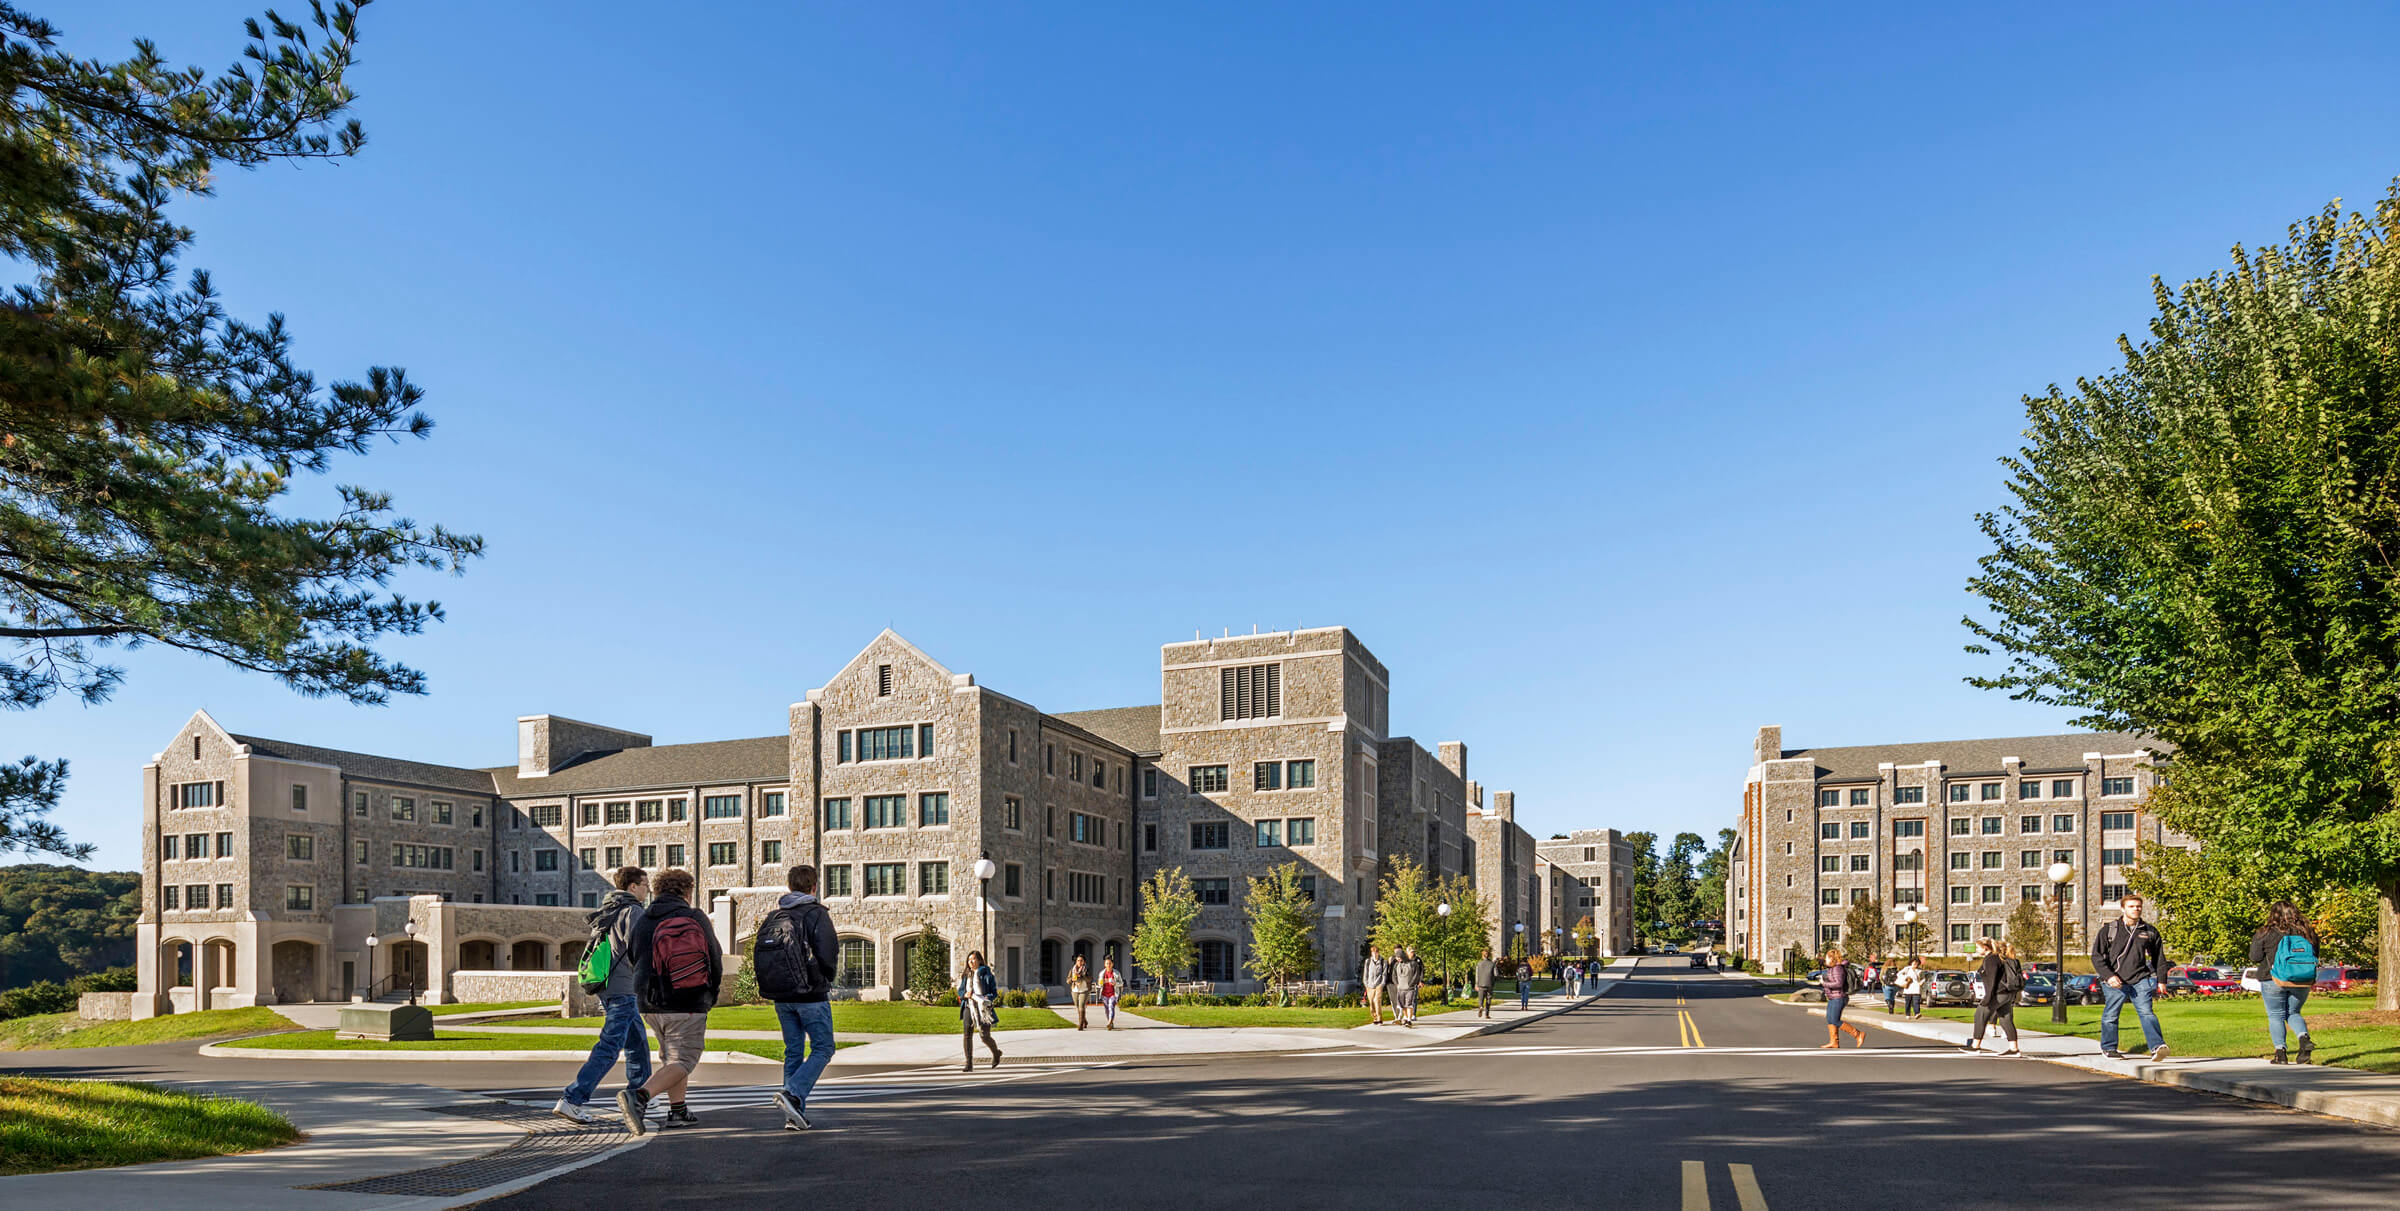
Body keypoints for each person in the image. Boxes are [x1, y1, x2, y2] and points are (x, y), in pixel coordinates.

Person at [615, 868, 722, 1135]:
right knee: (684, 1060)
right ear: (687, 892)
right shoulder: (694, 917)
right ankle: (638, 1097)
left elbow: (633, 957)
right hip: (687, 999)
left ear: (658, 891)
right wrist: (712, 993)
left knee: (672, 1059)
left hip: (650, 1002)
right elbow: (715, 957)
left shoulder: (644, 919)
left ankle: (678, 1110)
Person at [553, 866, 653, 1124]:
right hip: (622, 990)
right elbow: (639, 951)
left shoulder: (609, 909)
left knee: (638, 1044)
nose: (648, 889)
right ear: (633, 887)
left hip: (609, 987)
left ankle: (640, 1096)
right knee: (610, 1047)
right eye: (645, 884)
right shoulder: (633, 911)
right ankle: (572, 1099)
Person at [760, 863, 839, 1131]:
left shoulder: (776, 915)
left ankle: (794, 1114)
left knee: (793, 1050)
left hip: (782, 995)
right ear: (814, 887)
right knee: (824, 1047)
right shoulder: (817, 914)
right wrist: (826, 977)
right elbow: (828, 953)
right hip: (811, 994)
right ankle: (793, 1094)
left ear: (789, 886)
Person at [2092, 893, 2170, 1061]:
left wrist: (2162, 980)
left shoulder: (2148, 931)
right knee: (2111, 1015)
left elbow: (2159, 958)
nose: (2136, 909)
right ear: (2123, 909)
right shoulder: (2109, 929)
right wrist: (2109, 976)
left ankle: (2157, 1047)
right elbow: (2097, 957)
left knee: (2147, 1013)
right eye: (2131, 906)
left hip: (2140, 979)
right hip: (2115, 981)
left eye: (2138, 906)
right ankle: (2109, 1048)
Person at [2250, 899, 2320, 1065]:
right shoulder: (2307, 932)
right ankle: (2303, 1039)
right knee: (2293, 1013)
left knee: (2276, 1015)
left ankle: (2280, 1053)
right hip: (2302, 979)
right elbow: (2315, 954)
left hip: (2272, 979)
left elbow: (2255, 957)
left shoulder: (2266, 932)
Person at [1964, 937, 2023, 1056]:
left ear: (1985, 947)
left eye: (1978, 947)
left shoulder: (1991, 959)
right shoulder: (1998, 958)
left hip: (1997, 994)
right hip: (2007, 994)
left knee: (1980, 1015)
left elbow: (1992, 980)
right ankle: (2014, 1049)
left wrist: (1988, 998)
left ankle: (1975, 1046)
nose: (1976, 949)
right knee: (2005, 1020)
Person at [957, 950, 1003, 1071]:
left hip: (982, 1008)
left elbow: (994, 993)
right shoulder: (966, 975)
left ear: (979, 960)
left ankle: (996, 1053)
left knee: (984, 1036)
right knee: (967, 1034)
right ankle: (969, 1064)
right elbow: (960, 991)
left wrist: (987, 998)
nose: (970, 962)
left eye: (973, 959)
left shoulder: (987, 975)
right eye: (969, 960)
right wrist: (965, 994)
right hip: (969, 1006)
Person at [1819, 945, 1867, 1049]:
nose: (1825, 959)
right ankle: (1834, 1042)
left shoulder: (1838, 969)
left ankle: (1858, 1034)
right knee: (1830, 1019)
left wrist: (1824, 983)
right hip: (1833, 997)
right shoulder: (1832, 969)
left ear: (1832, 958)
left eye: (1827, 957)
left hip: (1839, 997)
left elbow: (1838, 984)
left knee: (1835, 1020)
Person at [1392, 947, 1422, 1026]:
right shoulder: (1396, 965)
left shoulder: (1412, 964)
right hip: (1400, 988)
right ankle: (1405, 1018)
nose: (1398, 959)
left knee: (1409, 1004)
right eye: (1397, 958)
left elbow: (1416, 975)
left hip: (1410, 988)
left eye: (1399, 957)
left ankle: (1409, 1019)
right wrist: (1396, 984)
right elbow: (1393, 975)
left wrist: (1411, 983)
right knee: (1402, 1005)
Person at [1362, 946, 1390, 1025]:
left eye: (1376, 952)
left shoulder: (1383, 962)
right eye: (1373, 952)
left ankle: (1379, 1018)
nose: (1374, 954)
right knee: (1371, 1002)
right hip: (1370, 985)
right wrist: (1366, 984)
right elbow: (1365, 974)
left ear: (1378, 952)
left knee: (1377, 1001)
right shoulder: (1368, 961)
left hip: (1378, 985)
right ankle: (1374, 1017)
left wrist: (1382, 984)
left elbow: (1384, 974)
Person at [1068, 954, 1092, 1030]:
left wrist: (1082, 976)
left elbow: (1090, 979)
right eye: (1078, 960)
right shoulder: (1072, 970)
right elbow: (1068, 980)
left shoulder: (1086, 970)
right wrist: (1072, 979)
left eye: (1081, 960)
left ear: (1084, 962)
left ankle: (1080, 1024)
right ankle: (1084, 1021)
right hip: (1075, 990)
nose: (1079, 962)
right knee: (1078, 1007)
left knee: (1081, 1006)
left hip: (1084, 990)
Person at [1098, 956, 1122, 1030]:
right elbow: (1099, 984)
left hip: (1113, 994)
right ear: (1104, 964)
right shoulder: (1102, 973)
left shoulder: (1116, 973)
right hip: (1104, 994)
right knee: (1106, 1009)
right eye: (1107, 963)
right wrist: (1102, 982)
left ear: (1112, 964)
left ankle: (1109, 1022)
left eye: (1110, 963)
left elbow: (1121, 983)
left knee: (1111, 1007)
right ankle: (1110, 1022)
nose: (1108, 965)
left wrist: (1115, 983)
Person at [1473, 947, 1497, 1018]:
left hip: (1481, 984)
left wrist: (1476, 984)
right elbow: (1496, 974)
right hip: (1489, 984)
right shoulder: (1492, 964)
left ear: (1482, 955)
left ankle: (1480, 1007)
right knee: (1488, 999)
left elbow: (1477, 975)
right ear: (1489, 955)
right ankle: (1487, 1014)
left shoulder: (1479, 964)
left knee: (1481, 998)